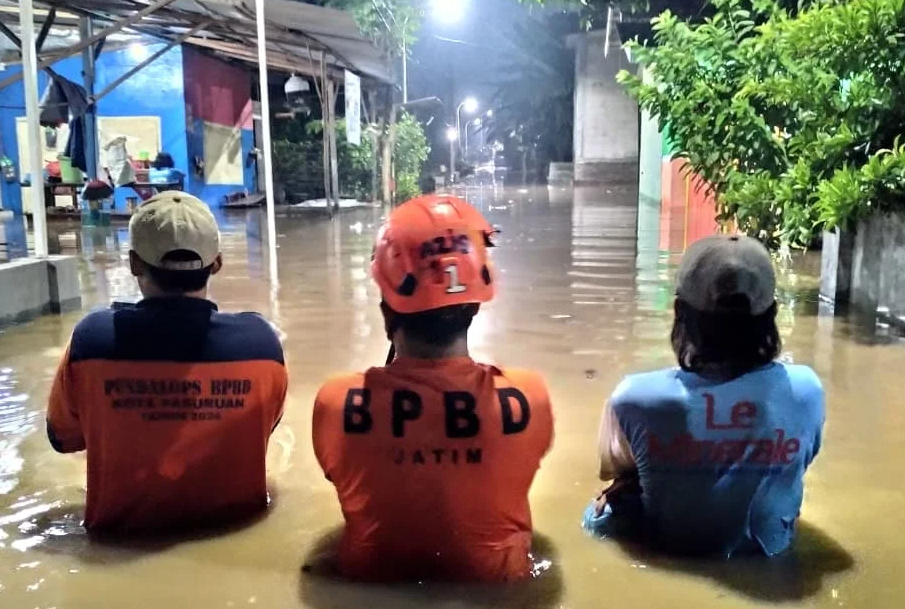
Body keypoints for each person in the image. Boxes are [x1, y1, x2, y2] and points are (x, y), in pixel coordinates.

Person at [312, 195, 554, 583]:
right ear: (474, 305)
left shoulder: (338, 401)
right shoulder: (528, 397)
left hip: (372, 587)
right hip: (498, 590)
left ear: (385, 306)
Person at [46, 191, 287, 534]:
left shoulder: (92, 340)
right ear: (216, 263)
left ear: (134, 263)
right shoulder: (261, 346)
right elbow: (262, 429)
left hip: (120, 546)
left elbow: (63, 439)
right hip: (234, 537)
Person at [585, 234, 825, 558]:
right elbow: (801, 461)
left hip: (672, 549)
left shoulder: (636, 398)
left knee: (602, 513)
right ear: (772, 314)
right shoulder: (806, 390)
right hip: (768, 557)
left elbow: (616, 470)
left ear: (679, 311)